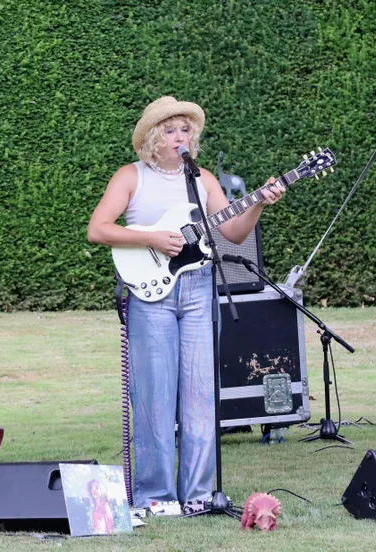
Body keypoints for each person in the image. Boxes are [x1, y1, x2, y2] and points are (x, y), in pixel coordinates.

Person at [87, 96, 285, 507]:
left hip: (197, 288)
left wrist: (260, 202)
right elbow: (98, 229)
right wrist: (151, 238)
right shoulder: (130, 177)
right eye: (171, 130)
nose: (181, 137)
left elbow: (231, 232)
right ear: (152, 139)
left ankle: (197, 494)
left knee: (199, 395)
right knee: (155, 396)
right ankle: (155, 496)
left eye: (185, 130)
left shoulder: (201, 179)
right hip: (149, 294)